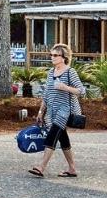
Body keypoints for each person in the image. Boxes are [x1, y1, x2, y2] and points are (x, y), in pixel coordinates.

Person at [30, 43, 86, 178]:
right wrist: (40, 112)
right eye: (51, 55)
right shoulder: (51, 73)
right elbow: (46, 95)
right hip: (51, 112)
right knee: (63, 138)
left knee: (52, 135)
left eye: (55, 55)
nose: (52, 57)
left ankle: (41, 167)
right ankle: (72, 169)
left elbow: (82, 91)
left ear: (64, 57)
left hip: (65, 110)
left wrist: (64, 87)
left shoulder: (70, 72)